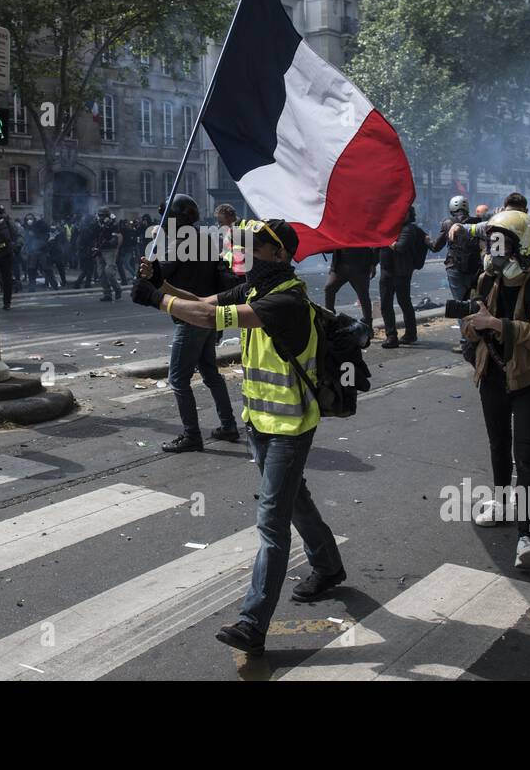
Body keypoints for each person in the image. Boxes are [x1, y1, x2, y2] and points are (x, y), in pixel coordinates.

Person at [132, 218, 345, 656]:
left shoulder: (284, 300)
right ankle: (327, 564)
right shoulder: (255, 290)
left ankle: (252, 623)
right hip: (260, 423)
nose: (246, 254)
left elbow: (209, 318)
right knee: (294, 500)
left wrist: (156, 300)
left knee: (271, 522)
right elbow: (202, 301)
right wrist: (164, 284)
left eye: (257, 249)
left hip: (290, 428)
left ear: (281, 255)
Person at [463, 210, 530, 570]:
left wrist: (496, 323)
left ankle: (527, 536)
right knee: (498, 446)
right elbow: (470, 330)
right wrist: (474, 324)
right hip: (493, 378)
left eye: (501, 245)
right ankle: (502, 505)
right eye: (492, 243)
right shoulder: (486, 281)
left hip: (528, 381)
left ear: (524, 250)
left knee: (526, 458)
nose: (493, 252)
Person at [142, 194, 241, 453]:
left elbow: (157, 277)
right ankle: (228, 425)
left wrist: (149, 265)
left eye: (166, 218)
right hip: (209, 315)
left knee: (178, 379)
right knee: (210, 372)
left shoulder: (178, 243)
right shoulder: (205, 238)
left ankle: (191, 435)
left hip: (190, 318)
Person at [428, 196, 483, 353]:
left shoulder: (447, 223)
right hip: (475, 269)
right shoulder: (476, 221)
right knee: (476, 303)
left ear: (452, 208)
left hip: (455, 269)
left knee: (460, 304)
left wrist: (426, 240)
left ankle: (465, 340)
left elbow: (436, 247)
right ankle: (478, 337)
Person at [379, 206, 425, 348]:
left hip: (401, 272)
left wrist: (387, 240)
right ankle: (391, 336)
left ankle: (411, 334)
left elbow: (401, 247)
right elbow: (377, 246)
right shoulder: (390, 228)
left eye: (404, 213)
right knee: (385, 304)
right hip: (386, 271)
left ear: (409, 215)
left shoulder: (408, 229)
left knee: (404, 302)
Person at [324, 246, 377, 330]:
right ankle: (329, 319)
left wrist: (373, 263)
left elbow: (373, 243)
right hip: (340, 266)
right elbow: (331, 245)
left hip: (360, 266)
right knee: (329, 288)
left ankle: (368, 325)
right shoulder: (339, 232)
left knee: (363, 296)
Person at [0, 204, 18, 310]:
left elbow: (16, 235)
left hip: (6, 254)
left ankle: (7, 302)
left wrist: (15, 246)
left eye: (0, 213)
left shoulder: (8, 222)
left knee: (6, 279)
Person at [94, 206, 122, 302]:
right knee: (101, 273)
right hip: (99, 250)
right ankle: (107, 293)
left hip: (110, 250)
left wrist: (109, 241)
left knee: (109, 271)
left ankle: (117, 289)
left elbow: (115, 237)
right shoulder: (97, 223)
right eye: (100, 215)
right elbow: (93, 235)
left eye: (103, 216)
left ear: (107, 216)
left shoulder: (113, 224)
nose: (101, 217)